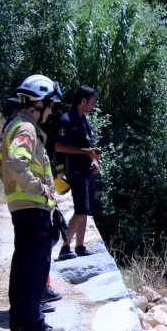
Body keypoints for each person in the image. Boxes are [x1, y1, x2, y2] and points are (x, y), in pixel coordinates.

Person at [0, 74, 66, 331]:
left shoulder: (13, 125)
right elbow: (14, 160)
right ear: (39, 103)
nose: (52, 111)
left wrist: (17, 189)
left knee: (22, 266)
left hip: (22, 206)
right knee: (35, 267)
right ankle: (34, 326)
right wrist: (38, 188)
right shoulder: (25, 128)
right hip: (32, 207)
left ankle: (19, 322)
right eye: (50, 105)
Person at [55, 86, 100, 260]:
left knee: (86, 210)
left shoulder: (83, 119)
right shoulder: (66, 120)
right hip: (75, 171)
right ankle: (65, 247)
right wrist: (86, 153)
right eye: (92, 102)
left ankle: (80, 246)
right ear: (83, 101)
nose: (93, 106)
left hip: (87, 170)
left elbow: (90, 146)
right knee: (80, 210)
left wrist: (94, 160)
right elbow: (59, 146)